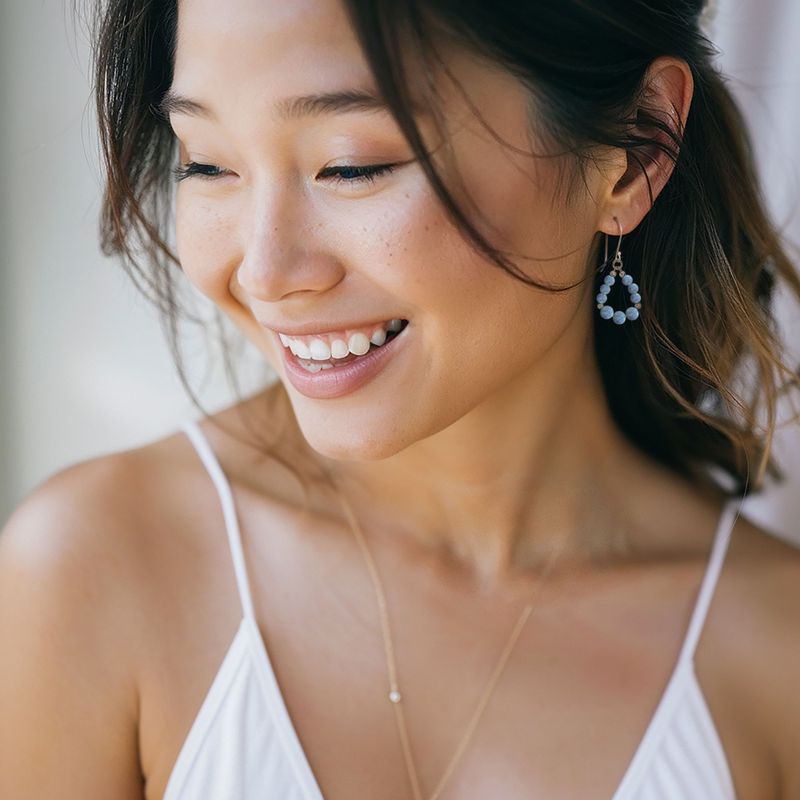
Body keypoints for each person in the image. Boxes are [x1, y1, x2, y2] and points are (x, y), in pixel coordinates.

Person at [1, 0, 799, 797]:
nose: (266, 271)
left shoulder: (773, 657)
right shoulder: (95, 573)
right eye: (207, 162)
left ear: (631, 154)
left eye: (351, 166)